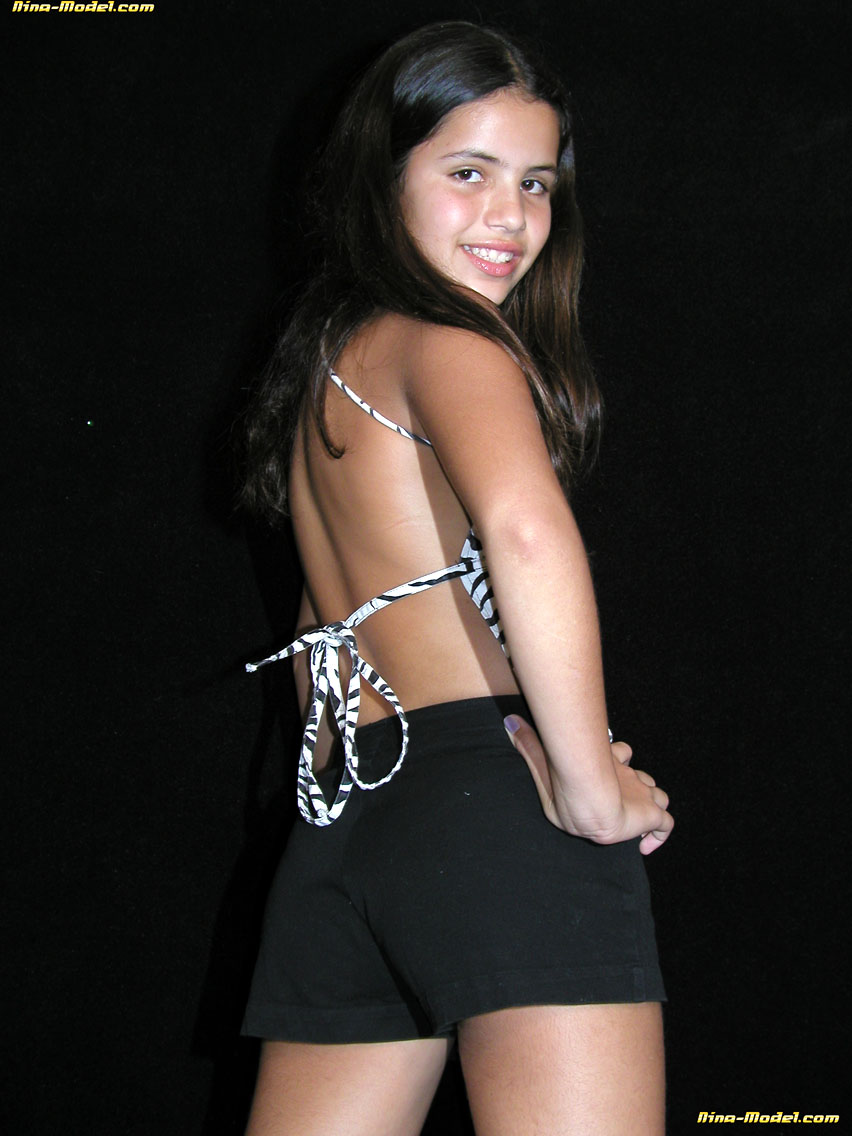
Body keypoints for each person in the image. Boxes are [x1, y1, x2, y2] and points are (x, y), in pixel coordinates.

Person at [239, 21, 673, 1135]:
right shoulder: (453, 342)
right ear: (381, 176)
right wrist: (586, 783)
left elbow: (322, 628)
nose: (511, 217)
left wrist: (392, 805)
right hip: (490, 799)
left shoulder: (329, 366)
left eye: (535, 182)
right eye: (468, 172)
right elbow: (527, 533)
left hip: (350, 818)